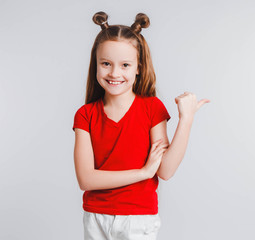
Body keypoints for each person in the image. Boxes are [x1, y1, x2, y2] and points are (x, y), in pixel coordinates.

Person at [72, 11, 210, 240]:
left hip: (138, 220)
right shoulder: (85, 115)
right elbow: (86, 179)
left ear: (138, 67)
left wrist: (186, 119)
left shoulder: (151, 108)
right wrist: (144, 172)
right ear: (95, 64)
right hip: (95, 216)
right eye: (106, 63)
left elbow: (165, 170)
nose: (114, 73)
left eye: (125, 65)